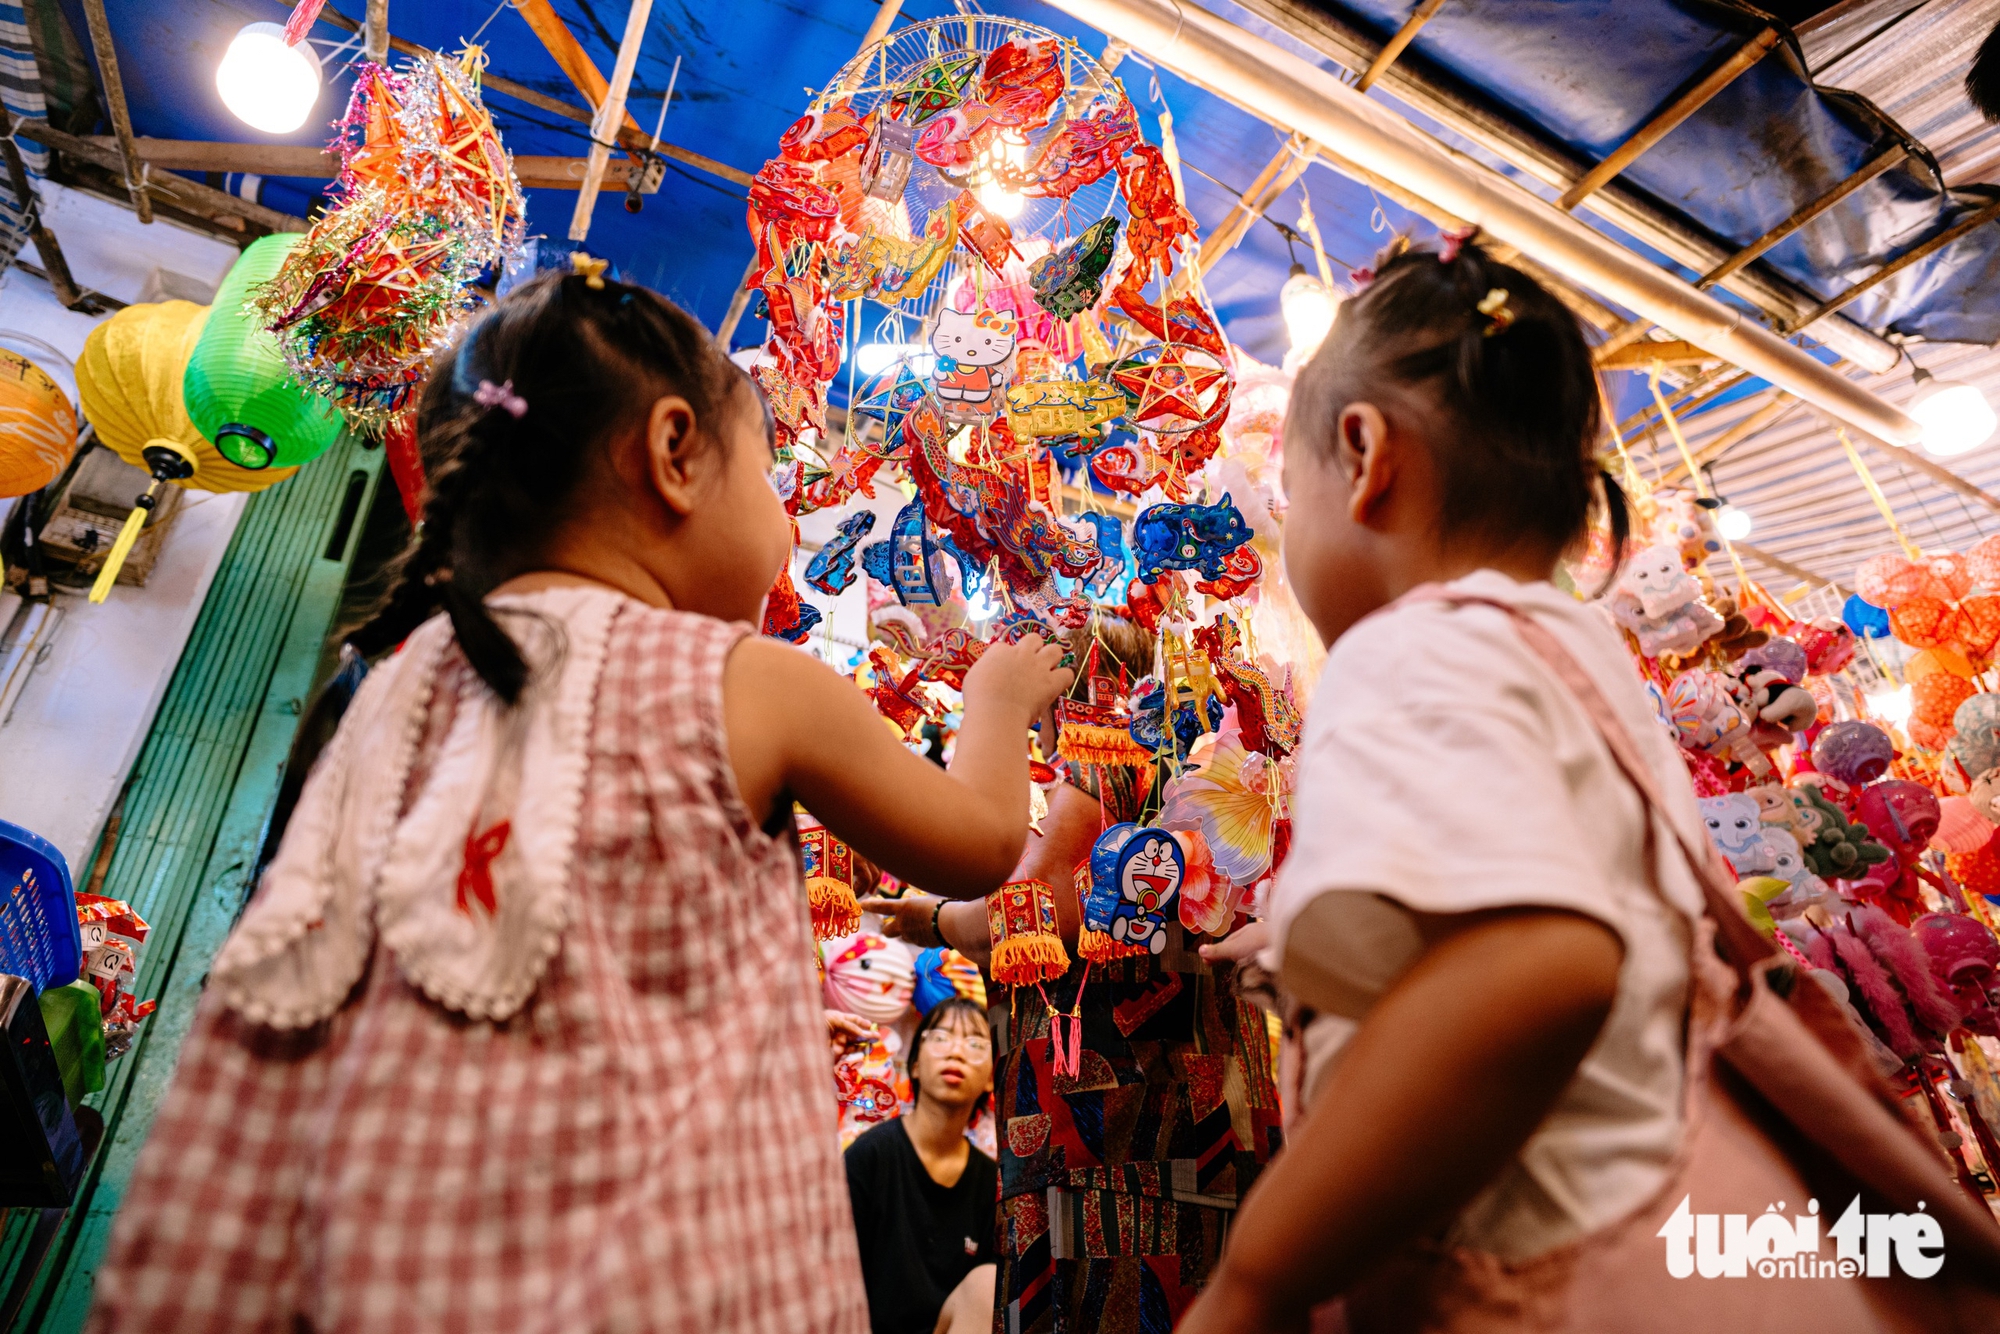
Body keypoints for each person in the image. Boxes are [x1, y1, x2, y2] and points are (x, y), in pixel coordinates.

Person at [85, 269, 1070, 1334]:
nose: (783, 517)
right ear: (675, 453)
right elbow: (977, 843)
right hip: (642, 1282)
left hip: (382, 1262)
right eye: (766, 472)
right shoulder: (745, 681)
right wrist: (996, 700)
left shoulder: (396, 685)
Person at [1177, 237, 1710, 1332]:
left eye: (1288, 491)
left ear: (1363, 454)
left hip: (1527, 1280)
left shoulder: (1406, 647)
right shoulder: (1579, 657)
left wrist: (1256, 1279)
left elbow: (1539, 964)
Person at [865, 618, 1283, 1334]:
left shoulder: (1111, 756)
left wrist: (932, 919)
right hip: (1203, 1123)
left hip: (1120, 1144)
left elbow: (1036, 909)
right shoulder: (1202, 766)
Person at [844, 997, 998, 1334]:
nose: (956, 1052)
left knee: (989, 1282)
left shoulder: (992, 1183)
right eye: (940, 1038)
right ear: (914, 1065)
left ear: (991, 1079)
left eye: (975, 1043)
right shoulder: (870, 1157)